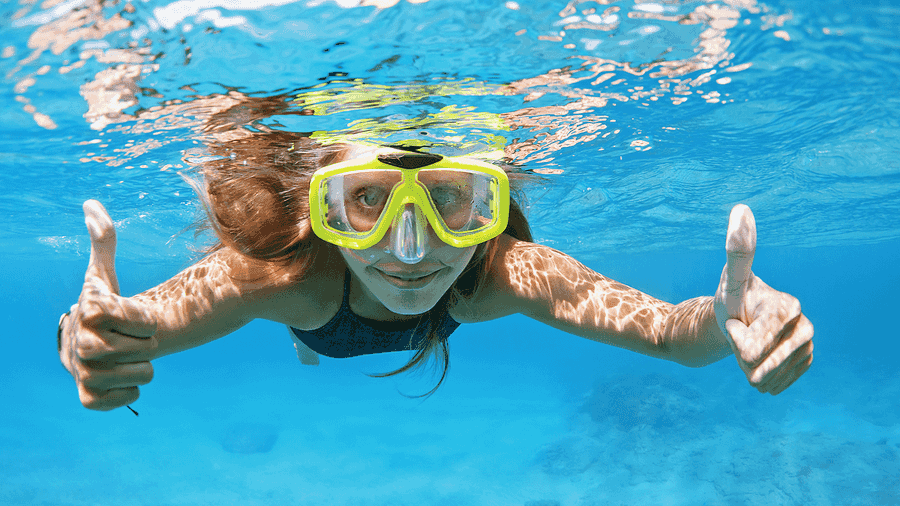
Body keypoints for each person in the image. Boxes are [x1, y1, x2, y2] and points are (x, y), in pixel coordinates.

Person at [57, 139, 814, 411]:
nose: (413, 250)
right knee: (306, 333)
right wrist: (80, 338)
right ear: (321, 208)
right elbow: (124, 328)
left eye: (450, 198)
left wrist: (728, 320)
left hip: (329, 309)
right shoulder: (278, 277)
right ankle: (307, 344)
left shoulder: (503, 273)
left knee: (310, 324)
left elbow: (670, 334)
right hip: (315, 316)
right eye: (367, 201)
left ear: (491, 206)